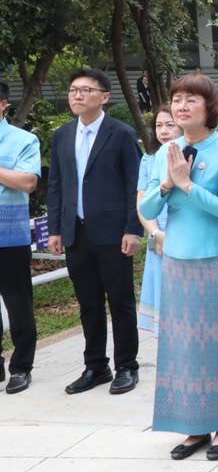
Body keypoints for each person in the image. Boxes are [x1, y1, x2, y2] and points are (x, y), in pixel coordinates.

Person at [139, 73, 218, 460]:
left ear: (209, 107)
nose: (182, 106)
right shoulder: (166, 152)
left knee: (216, 344)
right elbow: (147, 209)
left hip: (216, 259)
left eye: (191, 100)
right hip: (176, 261)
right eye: (177, 99)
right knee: (181, 347)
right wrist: (167, 184)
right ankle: (194, 424)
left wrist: (188, 186)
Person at [47, 68, 143, 395]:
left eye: (86, 90)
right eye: (74, 90)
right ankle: (95, 366)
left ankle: (127, 366)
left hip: (114, 233)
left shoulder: (121, 134)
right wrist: (56, 229)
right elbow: (57, 185)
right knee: (87, 302)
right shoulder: (62, 135)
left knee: (120, 301)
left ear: (104, 96)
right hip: (76, 233)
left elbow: (135, 185)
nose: (77, 95)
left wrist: (133, 228)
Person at [0, 80, 41, 394]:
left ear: (3, 105)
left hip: (9, 235)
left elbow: (27, 181)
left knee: (18, 302)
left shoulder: (23, 140)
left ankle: (21, 367)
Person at [135, 106, 182, 337]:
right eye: (159, 125)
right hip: (159, 239)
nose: (163, 131)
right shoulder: (149, 159)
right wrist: (155, 233)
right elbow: (142, 203)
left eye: (169, 124)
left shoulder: (193, 153)